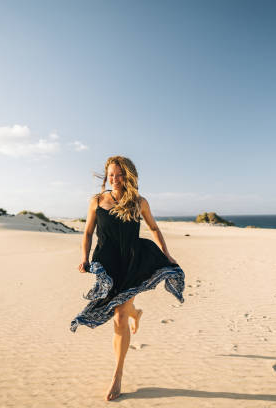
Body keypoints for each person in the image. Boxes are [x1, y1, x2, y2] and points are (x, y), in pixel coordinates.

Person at [70, 156, 185, 401]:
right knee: (122, 309)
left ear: (128, 176)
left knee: (119, 316)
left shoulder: (138, 202)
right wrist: (85, 258)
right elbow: (88, 232)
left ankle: (117, 375)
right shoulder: (96, 201)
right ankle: (136, 312)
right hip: (108, 264)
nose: (115, 179)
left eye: (120, 174)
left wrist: (167, 254)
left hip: (133, 262)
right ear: (106, 176)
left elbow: (154, 228)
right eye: (111, 174)